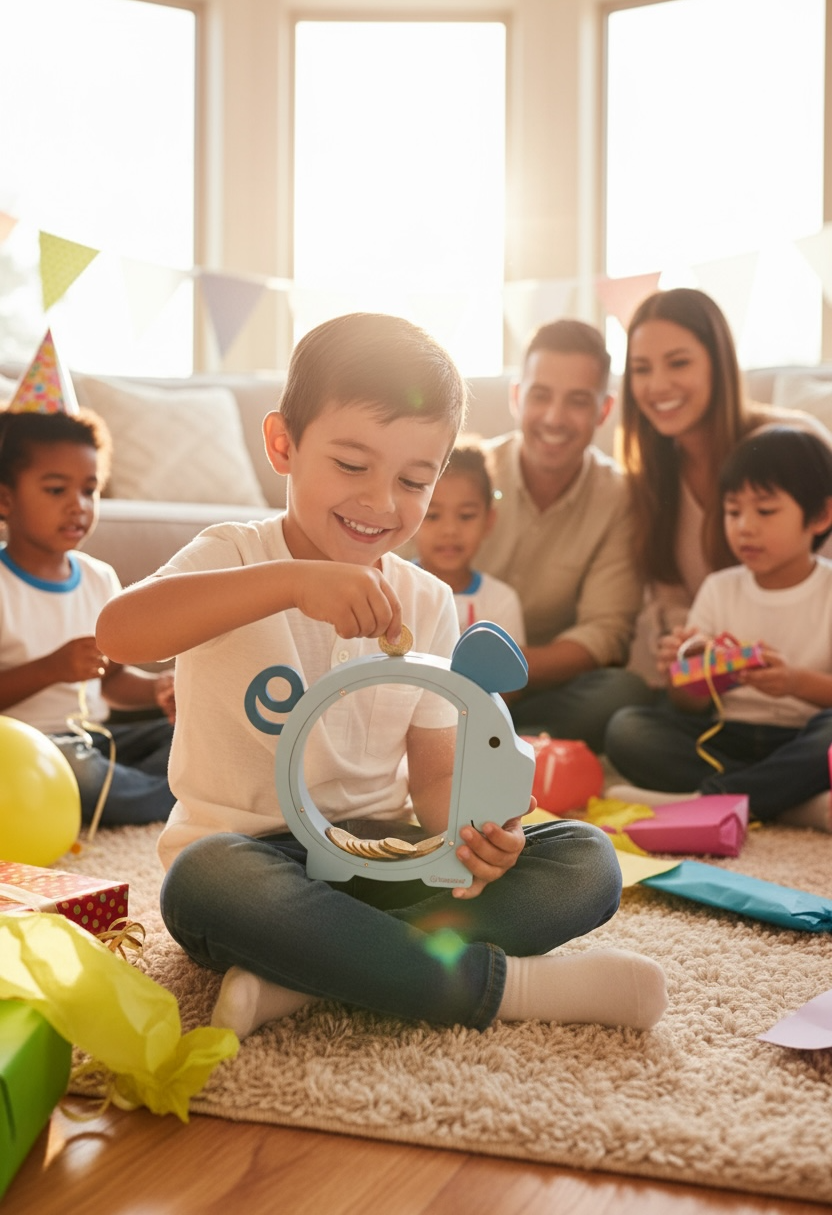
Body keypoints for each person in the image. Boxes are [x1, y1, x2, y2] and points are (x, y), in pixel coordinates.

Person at [97, 312, 667, 1040]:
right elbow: (119, 633)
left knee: (587, 861)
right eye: (351, 465)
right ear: (283, 444)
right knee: (201, 882)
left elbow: (433, 775)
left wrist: (472, 832)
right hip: (251, 857)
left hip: (382, 858)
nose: (381, 502)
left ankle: (305, 975)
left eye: (413, 480)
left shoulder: (427, 600)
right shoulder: (234, 556)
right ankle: (505, 987)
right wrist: (292, 582)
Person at [605, 426, 832, 830]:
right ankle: (786, 803)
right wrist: (686, 671)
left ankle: (710, 798)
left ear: (820, 517)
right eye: (732, 511)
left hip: (804, 738)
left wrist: (794, 682)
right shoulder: (720, 588)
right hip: (726, 734)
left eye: (765, 511)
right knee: (629, 730)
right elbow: (687, 703)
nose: (745, 527)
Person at [620, 287, 832, 686]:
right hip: (717, 688)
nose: (658, 385)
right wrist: (688, 650)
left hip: (812, 685)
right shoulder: (650, 478)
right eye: (641, 369)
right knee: (628, 713)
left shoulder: (795, 443)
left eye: (679, 363)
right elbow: (672, 611)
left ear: (718, 365)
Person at [474, 319, 647, 752]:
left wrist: (506, 672)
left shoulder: (620, 497)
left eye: (577, 401)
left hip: (541, 686)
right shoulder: (466, 472)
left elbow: (604, 631)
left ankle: (498, 743)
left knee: (622, 691)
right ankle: (507, 744)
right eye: (540, 396)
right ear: (517, 397)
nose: (554, 418)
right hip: (445, 673)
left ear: (603, 410)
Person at [0, 406, 177, 826]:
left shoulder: (99, 578)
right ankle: (174, 796)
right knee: (77, 768)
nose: (78, 506)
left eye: (89, 490)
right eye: (56, 490)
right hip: (23, 750)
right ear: (5, 499)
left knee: (195, 733)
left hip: (97, 739)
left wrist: (156, 690)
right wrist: (51, 669)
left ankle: (143, 793)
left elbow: (110, 680)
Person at [413, 438, 525, 642]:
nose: (450, 530)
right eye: (433, 516)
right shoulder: (391, 588)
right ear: (411, 516)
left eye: (466, 516)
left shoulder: (500, 602)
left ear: (489, 520)